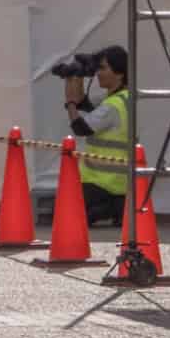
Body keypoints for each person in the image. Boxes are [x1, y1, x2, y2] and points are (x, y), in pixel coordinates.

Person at [65, 46, 132, 226]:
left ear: (119, 74)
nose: (98, 74)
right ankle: (116, 208)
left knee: (65, 211)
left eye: (103, 68)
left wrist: (69, 102)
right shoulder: (123, 99)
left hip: (101, 183)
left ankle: (105, 209)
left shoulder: (112, 106)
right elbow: (84, 103)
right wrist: (76, 77)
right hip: (122, 184)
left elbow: (80, 128)